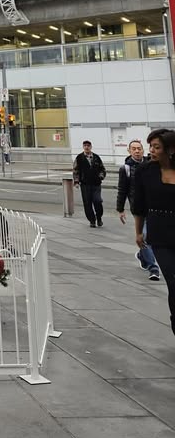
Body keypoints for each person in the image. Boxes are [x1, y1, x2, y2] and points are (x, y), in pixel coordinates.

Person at [132, 129, 175, 335]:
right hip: (160, 234)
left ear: (171, 149)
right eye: (151, 147)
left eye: (157, 147)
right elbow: (139, 205)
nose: (152, 151)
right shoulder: (145, 171)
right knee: (173, 281)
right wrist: (139, 232)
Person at [116, 140, 159, 281]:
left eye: (139, 148)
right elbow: (122, 190)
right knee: (144, 236)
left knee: (151, 236)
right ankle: (153, 268)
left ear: (143, 150)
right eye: (133, 149)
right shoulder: (125, 169)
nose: (137, 151)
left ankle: (142, 255)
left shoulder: (152, 164)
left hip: (154, 207)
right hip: (138, 208)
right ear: (129, 151)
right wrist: (120, 209)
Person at [73, 140, 106, 228]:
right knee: (87, 203)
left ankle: (99, 217)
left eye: (88, 145)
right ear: (83, 147)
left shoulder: (96, 157)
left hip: (96, 184)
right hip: (85, 184)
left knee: (97, 201)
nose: (86, 147)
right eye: (85, 145)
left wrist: (101, 176)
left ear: (91, 147)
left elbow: (102, 169)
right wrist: (76, 181)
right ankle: (92, 220)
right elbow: (76, 170)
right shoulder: (79, 158)